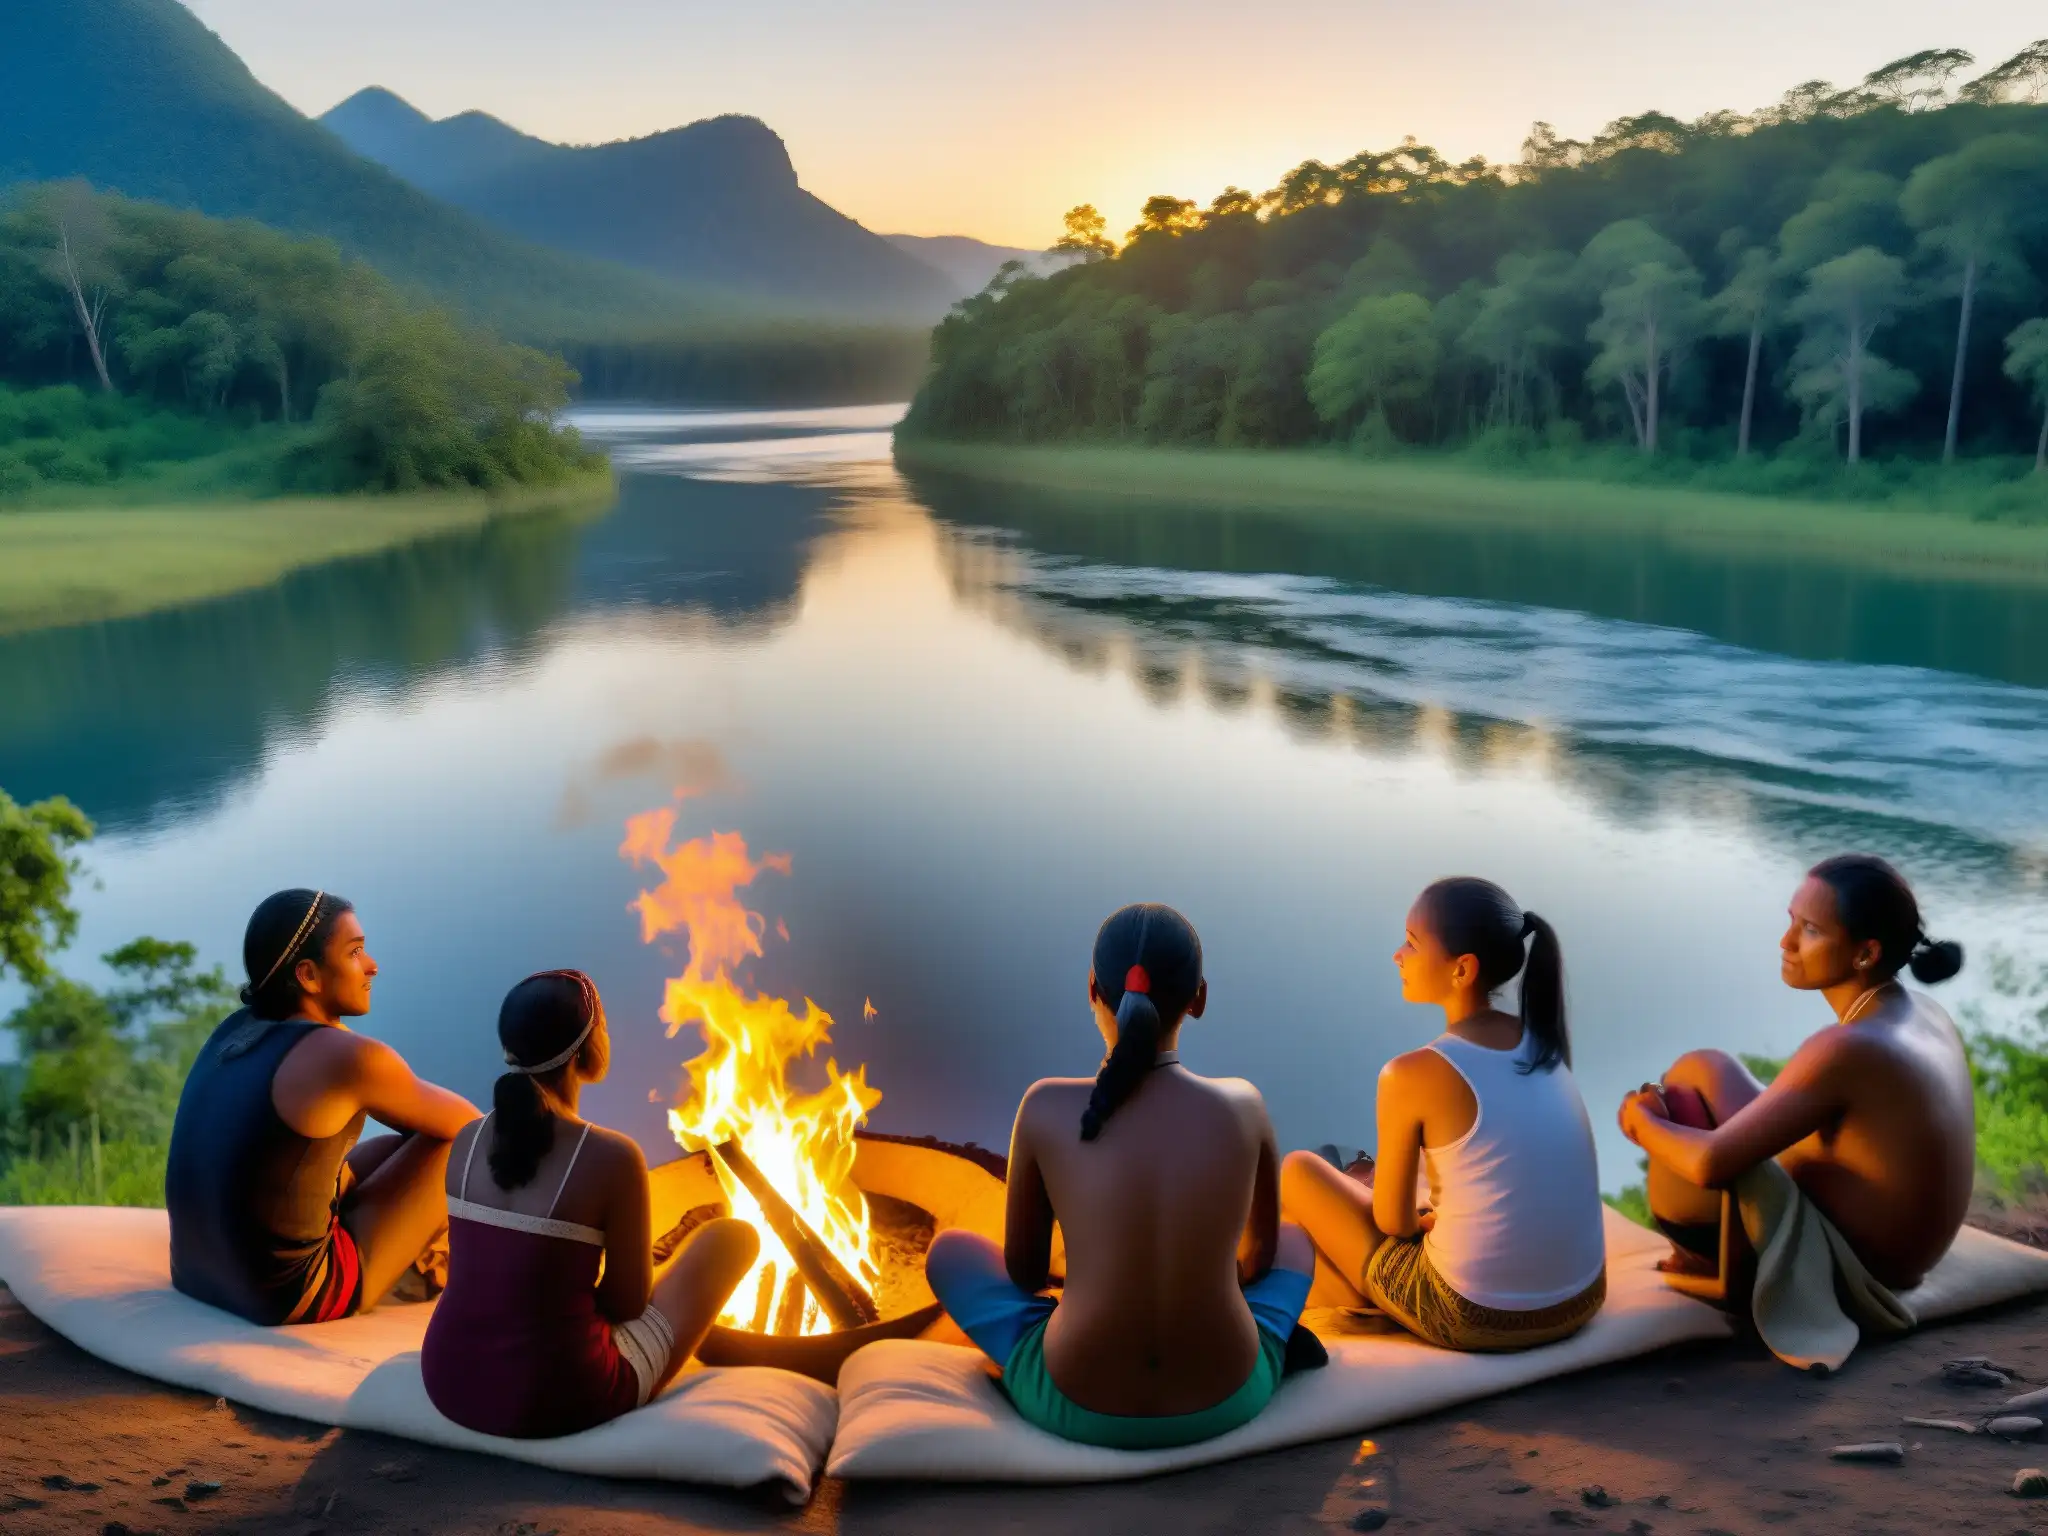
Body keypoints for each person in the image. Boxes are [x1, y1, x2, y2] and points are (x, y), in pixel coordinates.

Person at [922, 903, 1315, 1451]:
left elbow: (1026, 1272)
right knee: (1295, 1242)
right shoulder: (1245, 1105)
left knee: (950, 1253)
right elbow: (1258, 1262)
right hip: (1229, 1398)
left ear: (1092, 991)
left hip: (1071, 1402)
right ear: (1198, 998)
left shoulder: (1043, 1106)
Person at [421, 970, 759, 1438]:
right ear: (584, 1050)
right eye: (604, 1025)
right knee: (734, 1237)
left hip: (449, 1378)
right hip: (556, 1396)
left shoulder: (467, 1139)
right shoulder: (611, 1155)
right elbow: (626, 1304)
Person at [1281, 878, 1606, 1352]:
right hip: (1579, 1299)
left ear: (1462, 970)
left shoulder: (1411, 1074)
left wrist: (1412, 1218)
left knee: (1299, 1170)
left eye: (1411, 944)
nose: (1398, 955)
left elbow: (1394, 1223)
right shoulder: (1542, 1040)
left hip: (1479, 1315)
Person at [1619, 854, 1972, 1292]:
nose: (1786, 942)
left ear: (1866, 952)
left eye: (1810, 930)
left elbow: (1708, 1165)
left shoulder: (1847, 1047)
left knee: (1681, 1114)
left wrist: (1641, 1120)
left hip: (1862, 1265)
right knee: (1702, 1068)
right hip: (1909, 1248)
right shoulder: (1921, 1011)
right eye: (1792, 920)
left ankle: (1700, 1264)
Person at [167, 890, 475, 1325]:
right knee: (459, 1150)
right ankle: (443, 1268)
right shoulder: (347, 1057)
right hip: (285, 1292)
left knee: (389, 1149)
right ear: (309, 975)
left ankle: (426, 1260)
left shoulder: (236, 1030)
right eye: (355, 952)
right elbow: (473, 1129)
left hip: (196, 1273)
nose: (372, 965)